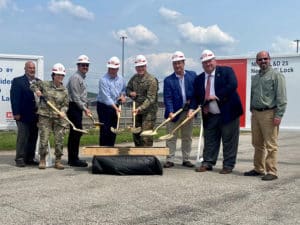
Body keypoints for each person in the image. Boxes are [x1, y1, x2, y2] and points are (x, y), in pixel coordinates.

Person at [193, 49, 243, 174]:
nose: (208, 64)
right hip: (210, 115)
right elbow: (196, 96)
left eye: (210, 61)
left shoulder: (226, 71)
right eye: (205, 62)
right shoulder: (199, 79)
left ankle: (228, 165)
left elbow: (232, 85)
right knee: (210, 140)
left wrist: (216, 95)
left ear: (215, 61)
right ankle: (207, 162)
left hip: (228, 113)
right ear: (202, 64)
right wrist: (196, 107)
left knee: (229, 140)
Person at [244, 51, 287, 181]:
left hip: (269, 113)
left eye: (265, 59)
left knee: (271, 144)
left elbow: (282, 97)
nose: (263, 61)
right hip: (256, 114)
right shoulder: (255, 77)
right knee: (257, 143)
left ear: (269, 60)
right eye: (260, 59)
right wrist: (252, 109)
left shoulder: (276, 76)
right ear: (257, 62)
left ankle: (272, 171)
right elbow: (252, 94)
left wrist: (279, 115)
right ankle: (258, 168)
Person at [31, 63, 69, 170]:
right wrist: (37, 91)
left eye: (62, 75)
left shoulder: (64, 90)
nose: (60, 77)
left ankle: (58, 161)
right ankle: (42, 159)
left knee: (59, 139)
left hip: (58, 117)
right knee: (44, 138)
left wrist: (63, 111)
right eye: (58, 75)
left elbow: (66, 104)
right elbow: (33, 84)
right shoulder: (45, 84)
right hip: (45, 116)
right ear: (53, 75)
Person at [163, 51, 197, 168]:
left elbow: (196, 95)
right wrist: (171, 112)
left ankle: (186, 159)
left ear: (184, 63)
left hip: (188, 112)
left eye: (179, 63)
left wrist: (192, 108)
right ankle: (170, 159)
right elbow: (168, 98)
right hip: (174, 113)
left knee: (187, 137)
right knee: (171, 136)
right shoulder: (168, 80)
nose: (177, 66)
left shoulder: (193, 76)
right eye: (175, 63)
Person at [10, 61, 40, 167]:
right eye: (30, 68)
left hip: (36, 115)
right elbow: (14, 98)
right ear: (25, 69)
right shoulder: (18, 81)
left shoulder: (38, 82)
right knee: (23, 137)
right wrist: (16, 112)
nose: (32, 70)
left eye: (33, 68)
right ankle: (20, 158)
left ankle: (29, 158)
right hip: (22, 115)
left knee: (33, 137)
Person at [126, 54, 158, 146]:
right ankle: (138, 157)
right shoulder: (134, 78)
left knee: (146, 136)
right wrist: (130, 93)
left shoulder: (151, 80)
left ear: (145, 66)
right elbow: (127, 89)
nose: (140, 68)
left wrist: (140, 108)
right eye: (138, 67)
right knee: (136, 135)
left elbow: (151, 98)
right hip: (137, 112)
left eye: (142, 66)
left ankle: (147, 158)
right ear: (136, 67)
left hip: (148, 112)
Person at [66, 55, 91, 167]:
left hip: (77, 107)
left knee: (76, 133)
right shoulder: (76, 78)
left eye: (86, 65)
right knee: (76, 132)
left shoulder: (81, 78)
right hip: (73, 107)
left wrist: (84, 107)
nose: (85, 67)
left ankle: (73, 158)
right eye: (83, 65)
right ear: (78, 66)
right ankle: (73, 159)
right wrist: (85, 108)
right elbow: (76, 97)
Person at [96, 56, 126, 146]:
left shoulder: (121, 79)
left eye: (115, 69)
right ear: (108, 67)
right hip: (104, 106)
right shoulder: (103, 80)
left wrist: (123, 96)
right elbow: (106, 98)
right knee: (105, 130)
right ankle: (102, 153)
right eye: (111, 68)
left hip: (115, 106)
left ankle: (111, 150)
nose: (112, 71)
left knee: (113, 129)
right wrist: (116, 108)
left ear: (118, 68)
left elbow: (124, 90)